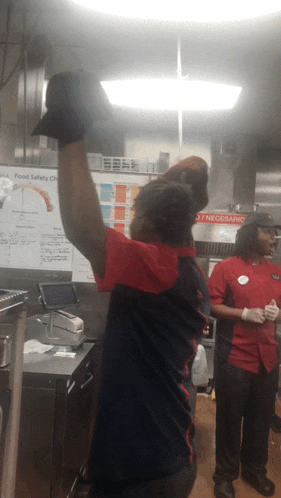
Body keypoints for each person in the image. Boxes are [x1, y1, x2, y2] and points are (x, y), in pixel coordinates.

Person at [32, 71, 210, 498]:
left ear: (148, 224)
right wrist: (172, 187)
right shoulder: (182, 269)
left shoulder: (158, 267)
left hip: (146, 471)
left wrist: (70, 130)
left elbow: (84, 230)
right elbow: (166, 208)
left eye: (134, 218)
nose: (128, 226)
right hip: (152, 459)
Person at [208, 212, 281, 498]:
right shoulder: (226, 268)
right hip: (235, 358)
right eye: (270, 232)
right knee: (229, 419)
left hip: (268, 359)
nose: (275, 238)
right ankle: (225, 475)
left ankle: (255, 471)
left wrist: (278, 315)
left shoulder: (276, 272)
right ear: (251, 233)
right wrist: (243, 314)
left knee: (261, 419)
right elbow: (211, 306)